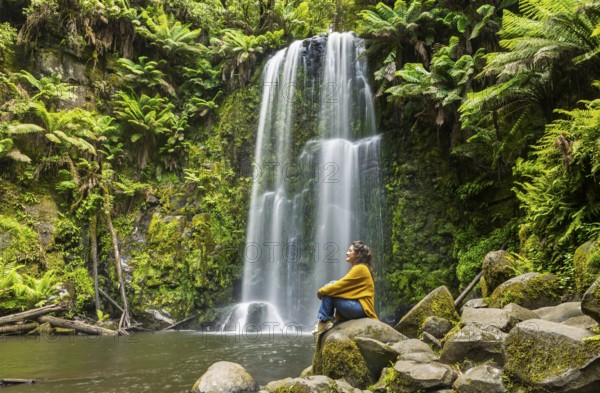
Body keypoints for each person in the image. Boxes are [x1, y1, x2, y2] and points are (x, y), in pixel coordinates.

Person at [313, 240, 377, 335]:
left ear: (358, 254)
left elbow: (340, 286)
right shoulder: (358, 268)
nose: (347, 253)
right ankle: (327, 320)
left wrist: (321, 291)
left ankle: (324, 321)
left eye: (350, 251)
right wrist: (327, 288)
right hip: (358, 307)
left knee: (329, 291)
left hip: (362, 308)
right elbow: (341, 286)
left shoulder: (360, 268)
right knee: (331, 284)